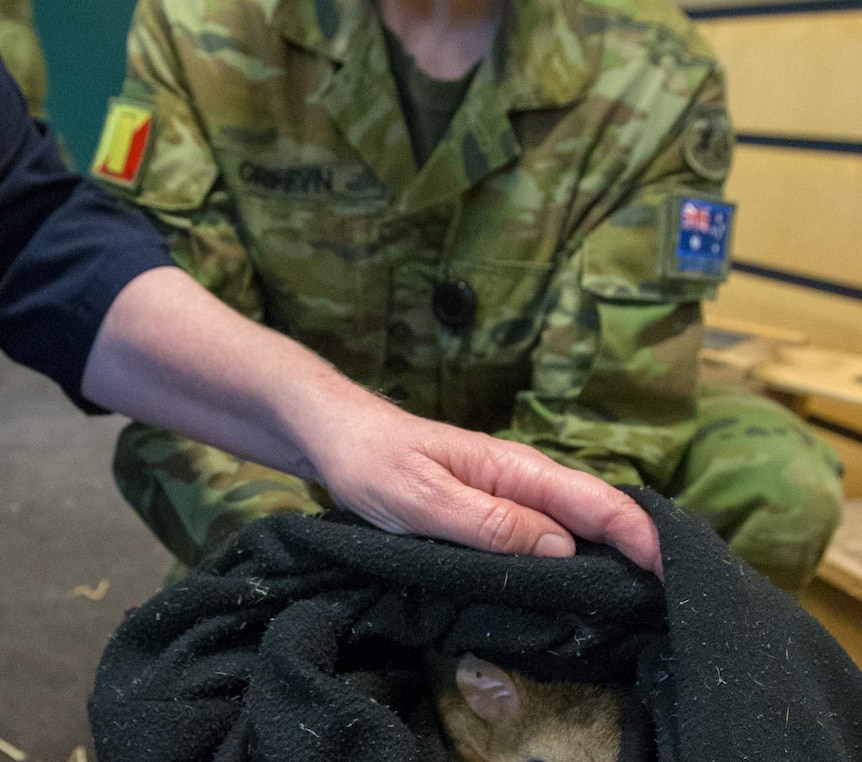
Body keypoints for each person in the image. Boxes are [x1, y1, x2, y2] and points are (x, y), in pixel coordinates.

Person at [1, 61, 668, 762]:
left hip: (438, 434)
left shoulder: (640, 62)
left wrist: (326, 419)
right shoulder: (211, 33)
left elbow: (31, 231)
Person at [91, 0, 843, 594]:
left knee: (777, 486)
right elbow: (187, 375)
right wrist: (336, 567)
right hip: (295, 453)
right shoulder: (205, 28)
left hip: (539, 462)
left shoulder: (656, 68)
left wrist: (489, 585)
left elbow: (609, 414)